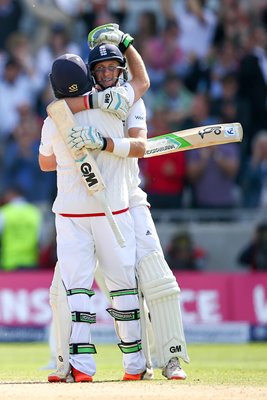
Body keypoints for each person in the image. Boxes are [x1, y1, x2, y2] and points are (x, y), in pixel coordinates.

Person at [47, 24, 189, 382]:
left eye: (114, 67)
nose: (108, 73)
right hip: (96, 201)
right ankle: (66, 363)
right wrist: (91, 110)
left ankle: (169, 359)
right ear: (91, 74)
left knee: (156, 281)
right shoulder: (86, 105)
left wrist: (105, 143)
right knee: (63, 289)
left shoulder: (128, 100)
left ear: (121, 70)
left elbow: (140, 146)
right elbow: (62, 108)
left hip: (130, 199)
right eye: (101, 69)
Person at [39, 52, 149, 382]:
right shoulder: (113, 109)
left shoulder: (51, 120)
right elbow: (142, 86)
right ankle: (135, 366)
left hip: (71, 212)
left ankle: (81, 368)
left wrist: (67, 149)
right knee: (123, 287)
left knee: (77, 290)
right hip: (113, 209)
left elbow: (45, 164)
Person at [0, 186, 42, 271]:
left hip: (9, 262)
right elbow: (42, 238)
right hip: (30, 261)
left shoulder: (4, 212)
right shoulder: (34, 211)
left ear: (10, 195)